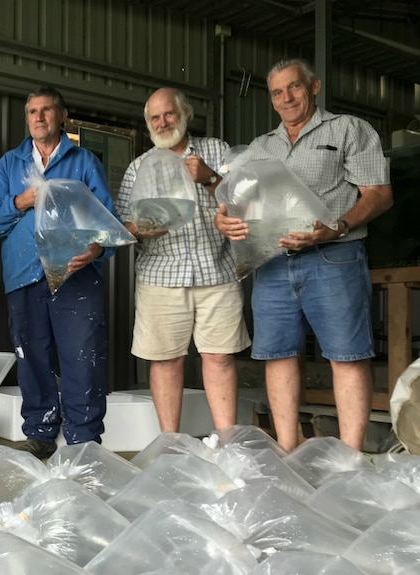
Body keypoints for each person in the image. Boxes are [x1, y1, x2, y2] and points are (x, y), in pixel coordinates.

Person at [215, 58, 393, 451]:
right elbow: (239, 203)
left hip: (334, 256)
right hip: (273, 263)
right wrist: (223, 222)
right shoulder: (261, 147)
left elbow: (379, 194)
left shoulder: (347, 129)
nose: (286, 97)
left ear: (314, 86)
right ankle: (289, 449)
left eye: (294, 87)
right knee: (278, 354)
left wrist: (337, 226)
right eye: (278, 92)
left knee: (347, 355)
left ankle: (349, 456)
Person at [0, 86, 116, 459]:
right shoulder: (10, 164)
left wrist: (97, 248)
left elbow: (105, 219)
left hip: (75, 274)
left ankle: (84, 438)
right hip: (25, 274)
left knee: (82, 355)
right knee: (32, 357)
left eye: (46, 110)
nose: (38, 117)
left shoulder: (85, 162)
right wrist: (19, 201)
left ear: (62, 115)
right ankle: (40, 431)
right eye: (32, 112)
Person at [117, 88, 251, 433]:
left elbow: (248, 204)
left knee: (220, 358)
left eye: (169, 114)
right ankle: (170, 444)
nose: (162, 122)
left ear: (185, 114)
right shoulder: (138, 167)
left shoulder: (217, 151)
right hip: (161, 276)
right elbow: (123, 224)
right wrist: (140, 228)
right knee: (165, 361)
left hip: (216, 270)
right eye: (155, 118)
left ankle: (227, 442)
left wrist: (209, 178)